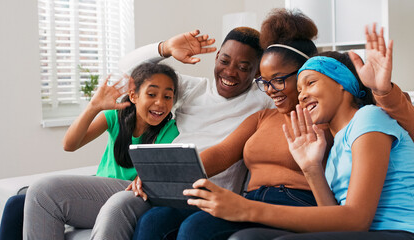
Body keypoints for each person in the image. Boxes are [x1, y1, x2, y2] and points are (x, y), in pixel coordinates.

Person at [184, 25, 414, 240]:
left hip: (396, 231)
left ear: (341, 82)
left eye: (310, 83)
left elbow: (355, 221)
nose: (302, 96)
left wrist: (245, 209)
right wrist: (311, 167)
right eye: (300, 89)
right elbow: (335, 218)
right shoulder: (336, 147)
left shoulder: (369, 117)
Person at [132, 8, 329, 240]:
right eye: (265, 81)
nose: (270, 90)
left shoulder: (322, 117)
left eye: (277, 80)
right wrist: (163, 173)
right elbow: (221, 154)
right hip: (249, 198)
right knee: (153, 221)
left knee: (195, 229)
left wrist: (383, 93)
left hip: (295, 202)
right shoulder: (263, 117)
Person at [88, 27, 274, 239]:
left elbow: (292, 77)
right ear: (216, 57)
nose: (230, 72)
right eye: (224, 61)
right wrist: (165, 48)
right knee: (151, 223)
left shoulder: (262, 99)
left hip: (214, 196)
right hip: (170, 193)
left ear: (257, 72)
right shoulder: (193, 89)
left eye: (243, 67)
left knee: (190, 229)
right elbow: (129, 73)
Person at [21, 62, 180, 240]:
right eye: (151, 94)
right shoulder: (116, 116)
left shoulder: (171, 130)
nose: (160, 103)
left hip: (134, 196)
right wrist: (94, 107)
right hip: (103, 191)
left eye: (167, 97)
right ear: (133, 96)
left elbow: (158, 171)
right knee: (40, 193)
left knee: (45, 191)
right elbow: (70, 144)